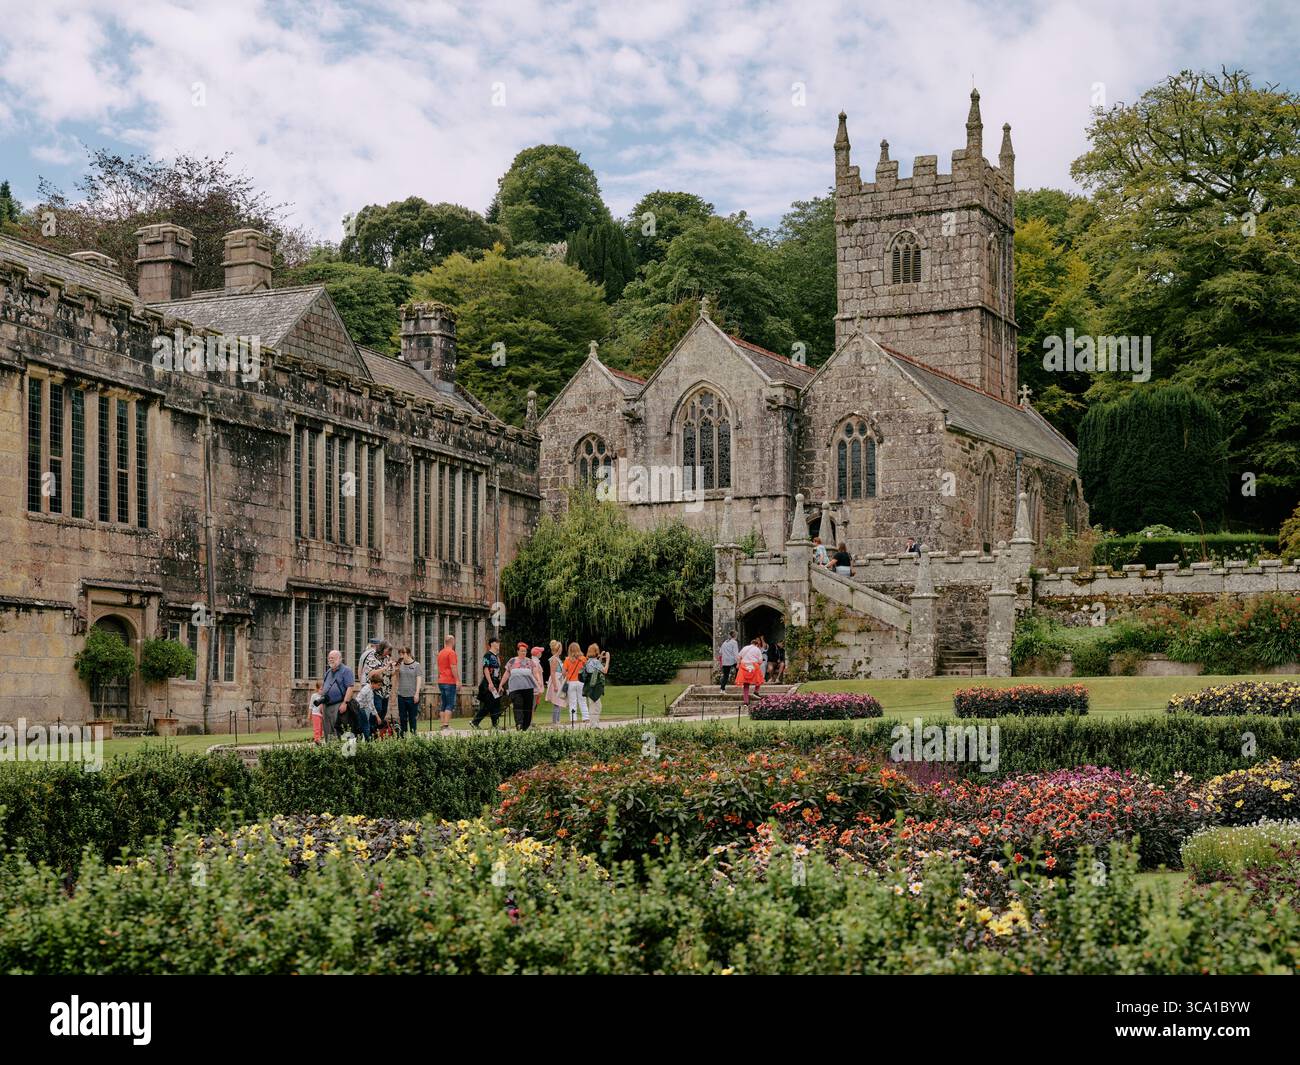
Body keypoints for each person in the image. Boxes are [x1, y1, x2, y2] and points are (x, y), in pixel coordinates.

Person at [503, 641, 543, 731]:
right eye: (521, 651)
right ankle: (519, 724)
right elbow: (506, 673)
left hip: (528, 688)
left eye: (525, 651)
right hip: (515, 689)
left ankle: (525, 726)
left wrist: (539, 681)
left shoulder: (530, 662)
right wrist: (501, 684)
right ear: (517, 651)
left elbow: (535, 672)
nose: (523, 653)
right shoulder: (512, 661)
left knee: (528, 707)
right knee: (518, 705)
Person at [319, 649, 355, 741]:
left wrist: (345, 703)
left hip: (338, 705)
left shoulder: (346, 670)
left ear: (339, 658)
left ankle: (339, 751)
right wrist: (321, 703)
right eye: (329, 658)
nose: (330, 659)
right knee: (328, 731)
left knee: (338, 730)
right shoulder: (328, 672)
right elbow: (324, 688)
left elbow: (350, 688)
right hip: (326, 705)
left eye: (333, 658)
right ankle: (330, 751)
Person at [473, 637, 502, 730]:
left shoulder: (496, 656)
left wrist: (500, 684)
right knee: (489, 704)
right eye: (497, 642)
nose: (498, 644)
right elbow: (485, 669)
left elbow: (498, 671)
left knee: (495, 703)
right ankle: (475, 721)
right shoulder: (487, 655)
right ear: (492, 644)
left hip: (496, 682)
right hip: (489, 682)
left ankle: (494, 724)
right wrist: (490, 683)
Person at [395, 647, 422, 736]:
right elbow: (398, 679)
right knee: (402, 718)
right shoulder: (400, 664)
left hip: (412, 695)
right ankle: (403, 736)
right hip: (401, 695)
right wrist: (397, 670)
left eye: (403, 653)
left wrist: (417, 693)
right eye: (400, 654)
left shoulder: (416, 665)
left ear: (409, 654)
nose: (401, 656)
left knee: (412, 718)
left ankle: (414, 736)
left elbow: (419, 679)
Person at [734, 637, 765, 709]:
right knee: (759, 680)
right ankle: (756, 691)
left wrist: (738, 664)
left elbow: (738, 657)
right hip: (754, 665)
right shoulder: (757, 649)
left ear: (751, 643)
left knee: (746, 685)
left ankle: (746, 702)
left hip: (744, 666)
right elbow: (760, 661)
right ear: (756, 644)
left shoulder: (745, 648)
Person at [562, 642, 588, 725]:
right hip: (581, 682)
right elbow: (586, 669)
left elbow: (563, 672)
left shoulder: (567, 660)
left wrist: (567, 675)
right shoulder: (583, 658)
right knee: (582, 700)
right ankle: (586, 718)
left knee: (572, 702)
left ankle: (573, 719)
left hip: (571, 682)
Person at [436, 634, 458, 733]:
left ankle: (442, 724)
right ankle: (446, 725)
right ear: (452, 641)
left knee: (443, 703)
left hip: (441, 680)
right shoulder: (451, 652)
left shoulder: (440, 652)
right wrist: (457, 680)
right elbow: (453, 666)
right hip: (449, 681)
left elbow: (439, 668)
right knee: (450, 703)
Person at [583, 644, 609, 725]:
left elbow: (594, 668)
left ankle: (593, 724)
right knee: (597, 707)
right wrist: (608, 659)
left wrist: (600, 658)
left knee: (593, 706)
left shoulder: (588, 662)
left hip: (589, 687)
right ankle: (594, 725)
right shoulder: (596, 662)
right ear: (596, 652)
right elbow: (605, 670)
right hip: (595, 687)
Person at [545, 639, 566, 725]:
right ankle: (555, 722)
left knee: (559, 702)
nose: (561, 650)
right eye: (560, 648)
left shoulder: (558, 659)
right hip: (556, 681)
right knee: (557, 702)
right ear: (557, 649)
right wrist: (555, 685)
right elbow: (552, 673)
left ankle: (557, 721)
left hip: (559, 679)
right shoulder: (554, 659)